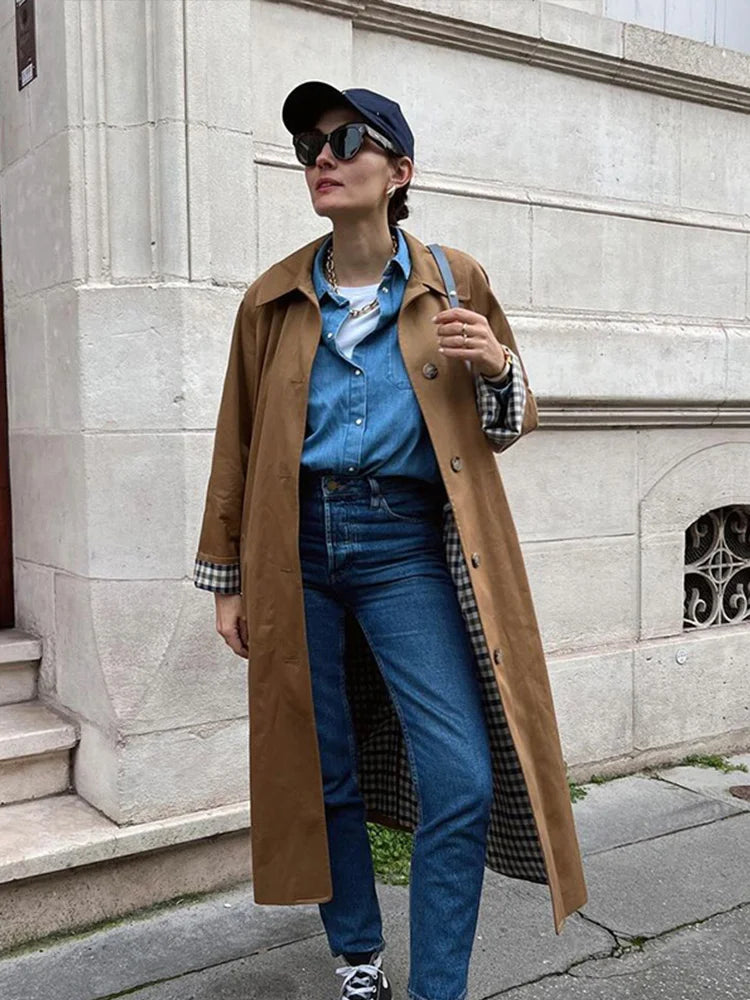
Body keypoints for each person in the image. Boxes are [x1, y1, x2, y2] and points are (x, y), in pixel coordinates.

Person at [193, 81, 585, 1000]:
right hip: (294, 548)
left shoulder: (454, 280)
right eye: (309, 147)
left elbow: (509, 420)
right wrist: (228, 578)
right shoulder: (272, 298)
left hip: (404, 547)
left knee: (462, 776)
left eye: (346, 141)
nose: (322, 159)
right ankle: (359, 956)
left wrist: (498, 366)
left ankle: (436, 988)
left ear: (399, 170)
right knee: (320, 764)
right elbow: (236, 441)